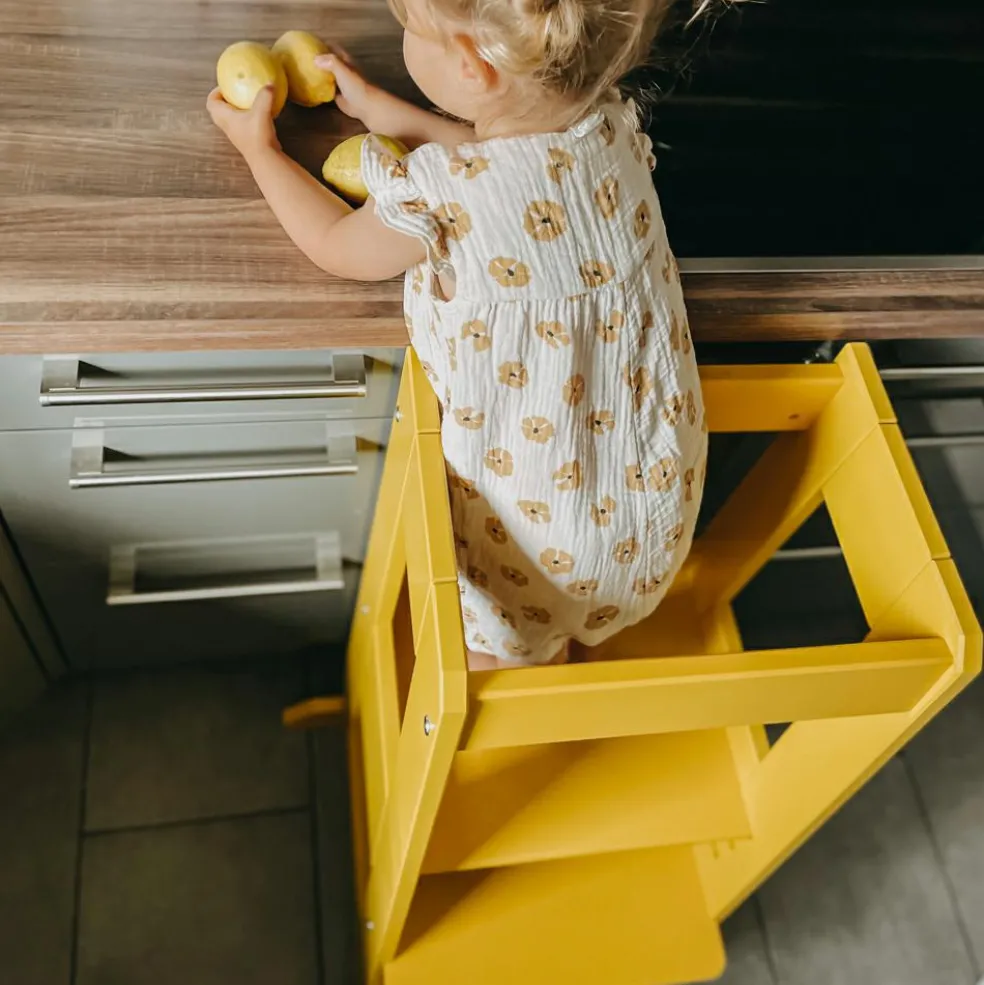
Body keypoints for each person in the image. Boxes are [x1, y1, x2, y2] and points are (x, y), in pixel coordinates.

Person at [207, 0, 707, 669]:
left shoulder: (443, 199)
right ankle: (565, 646)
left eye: (411, 30)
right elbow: (510, 160)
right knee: (558, 617)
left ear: (473, 66)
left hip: (537, 538)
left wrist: (258, 148)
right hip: (652, 507)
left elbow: (335, 244)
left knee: (502, 651)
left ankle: (525, 707)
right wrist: (386, 113)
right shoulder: (610, 125)